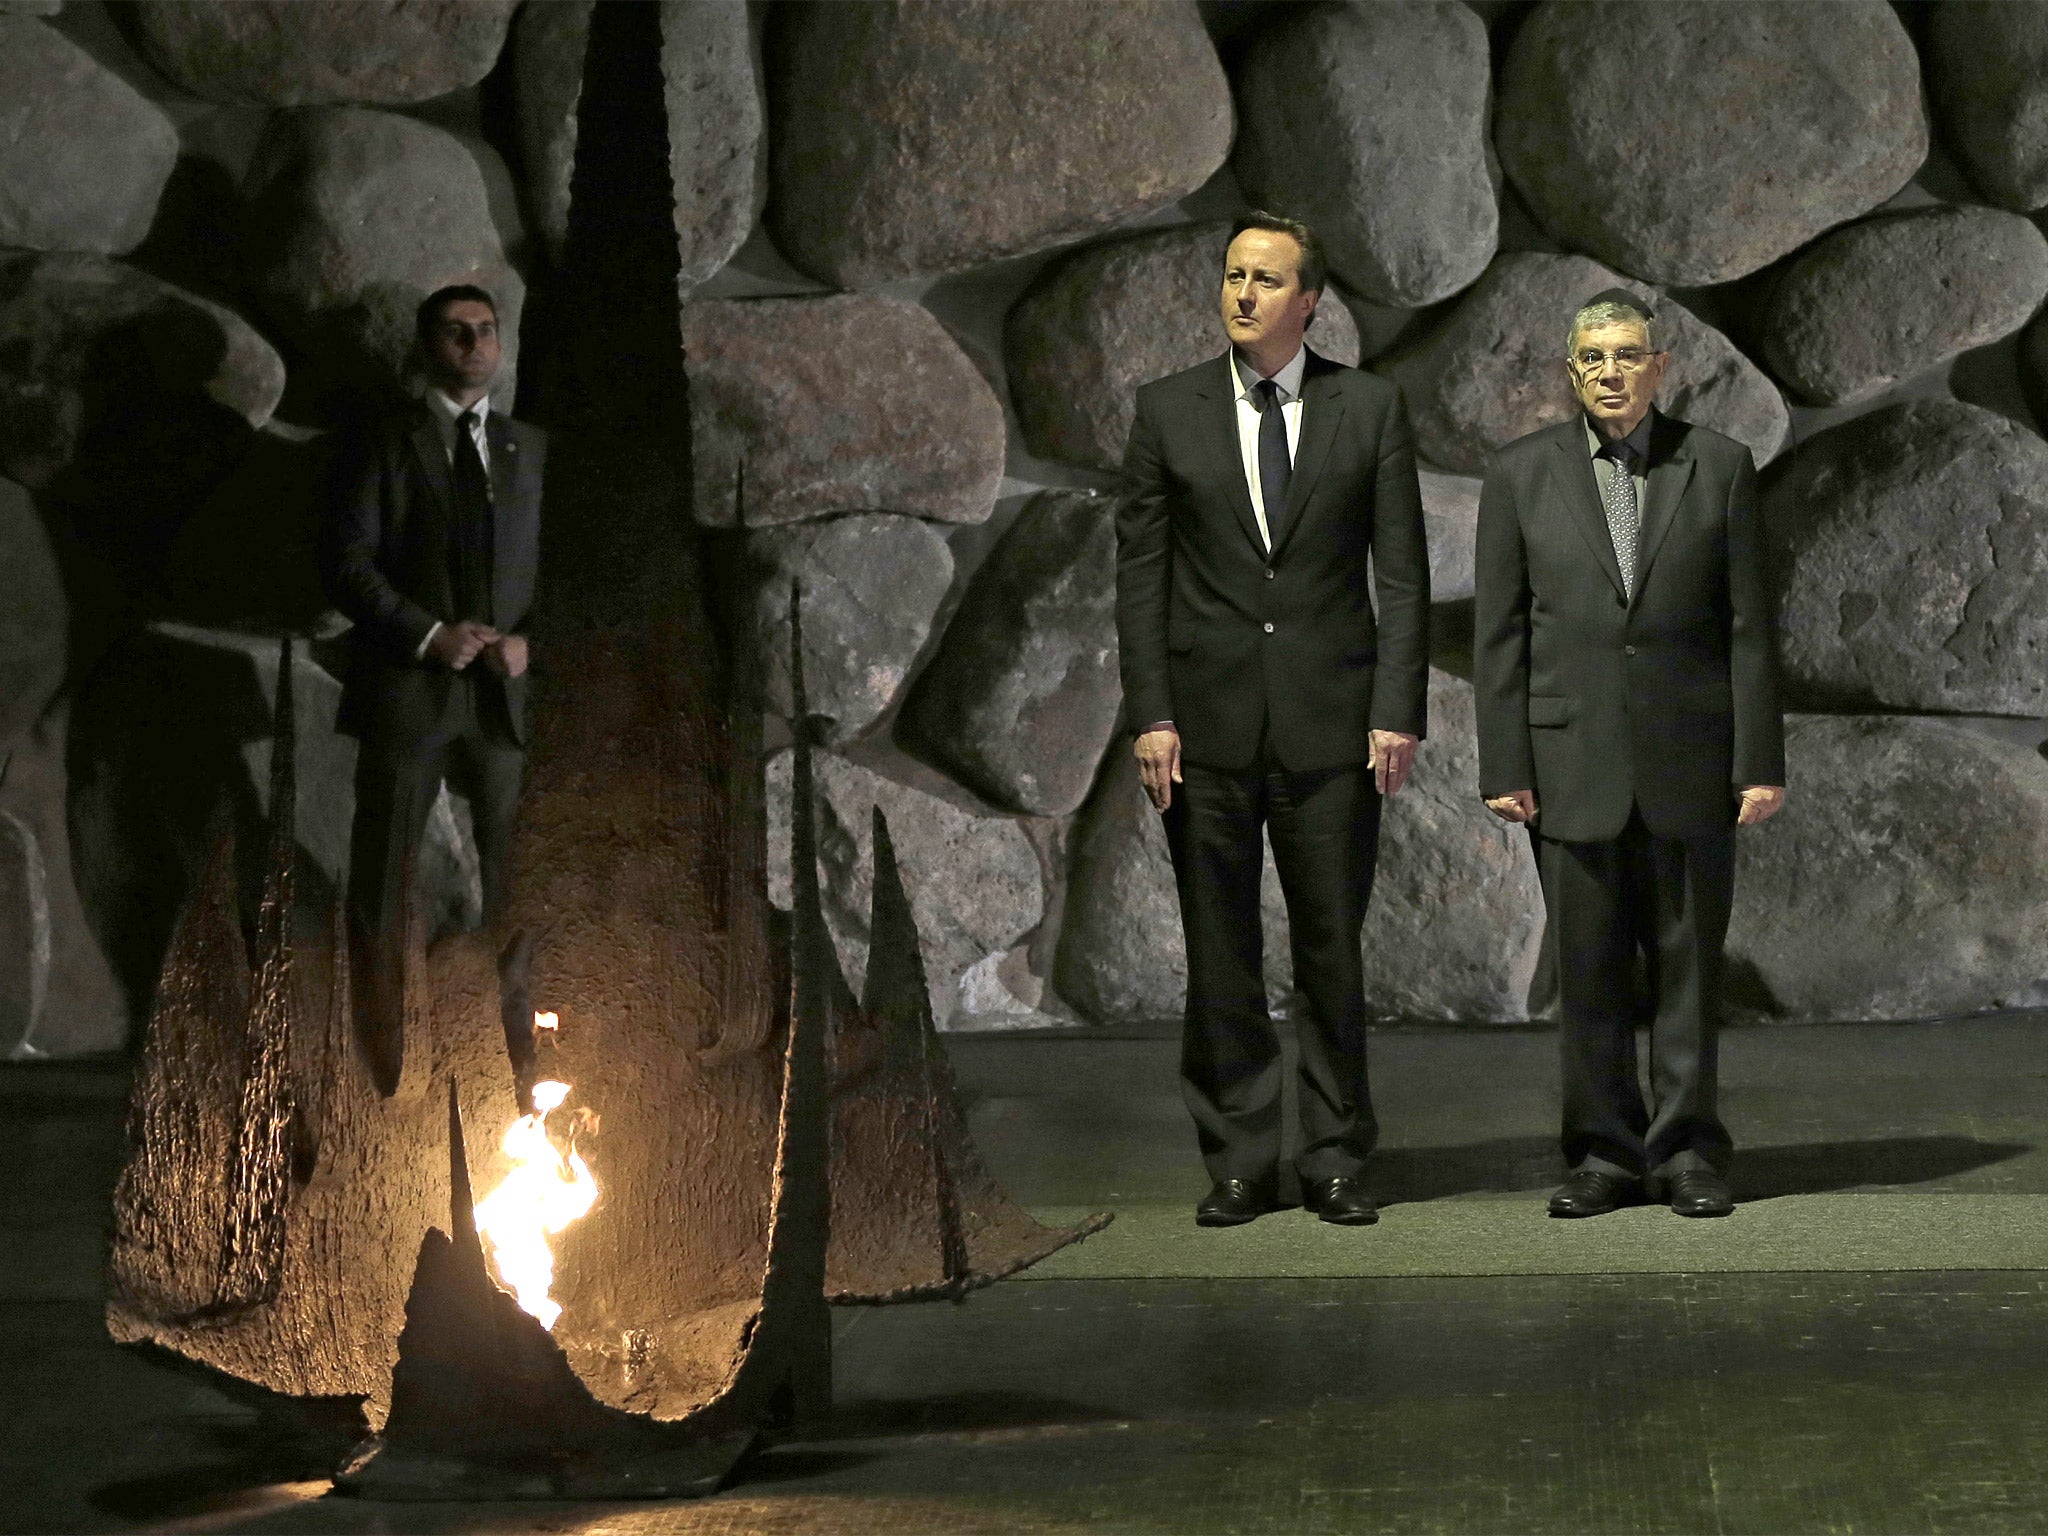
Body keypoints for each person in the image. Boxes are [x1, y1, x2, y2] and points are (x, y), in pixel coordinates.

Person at [1115, 212, 1430, 1228]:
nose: (1242, 294)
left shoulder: (1367, 408)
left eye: (1265, 280)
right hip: (1201, 731)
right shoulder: (1166, 411)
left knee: (1330, 949)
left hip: (1333, 725)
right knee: (1220, 952)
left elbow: (1403, 575)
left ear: (1308, 302)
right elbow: (1140, 580)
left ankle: (1333, 1154)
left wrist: (1393, 709)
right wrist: (1150, 713)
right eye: (1231, 276)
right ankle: (1239, 1157)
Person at [1473, 290, 1785, 1220]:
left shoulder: (1719, 467)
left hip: (1693, 757)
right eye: (1592, 359)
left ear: (1661, 365)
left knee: (1690, 967)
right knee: (1590, 968)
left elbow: (1750, 630)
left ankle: (1688, 1150)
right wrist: (1505, 766)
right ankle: (1605, 1154)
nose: (1610, 373)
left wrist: (1759, 760)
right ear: (1573, 374)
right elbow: (1500, 636)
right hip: (1571, 763)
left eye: (1627, 356)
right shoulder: (1521, 474)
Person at [319, 284, 547, 1094]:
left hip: (501, 705)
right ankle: (377, 1064)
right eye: (456, 333)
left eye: (486, 331)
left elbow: (564, 572)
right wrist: (430, 633)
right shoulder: (380, 444)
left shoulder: (530, 450)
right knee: (383, 880)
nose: (474, 345)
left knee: (520, 884)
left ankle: (523, 1068)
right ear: (427, 345)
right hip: (409, 692)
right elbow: (347, 563)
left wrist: (529, 643)